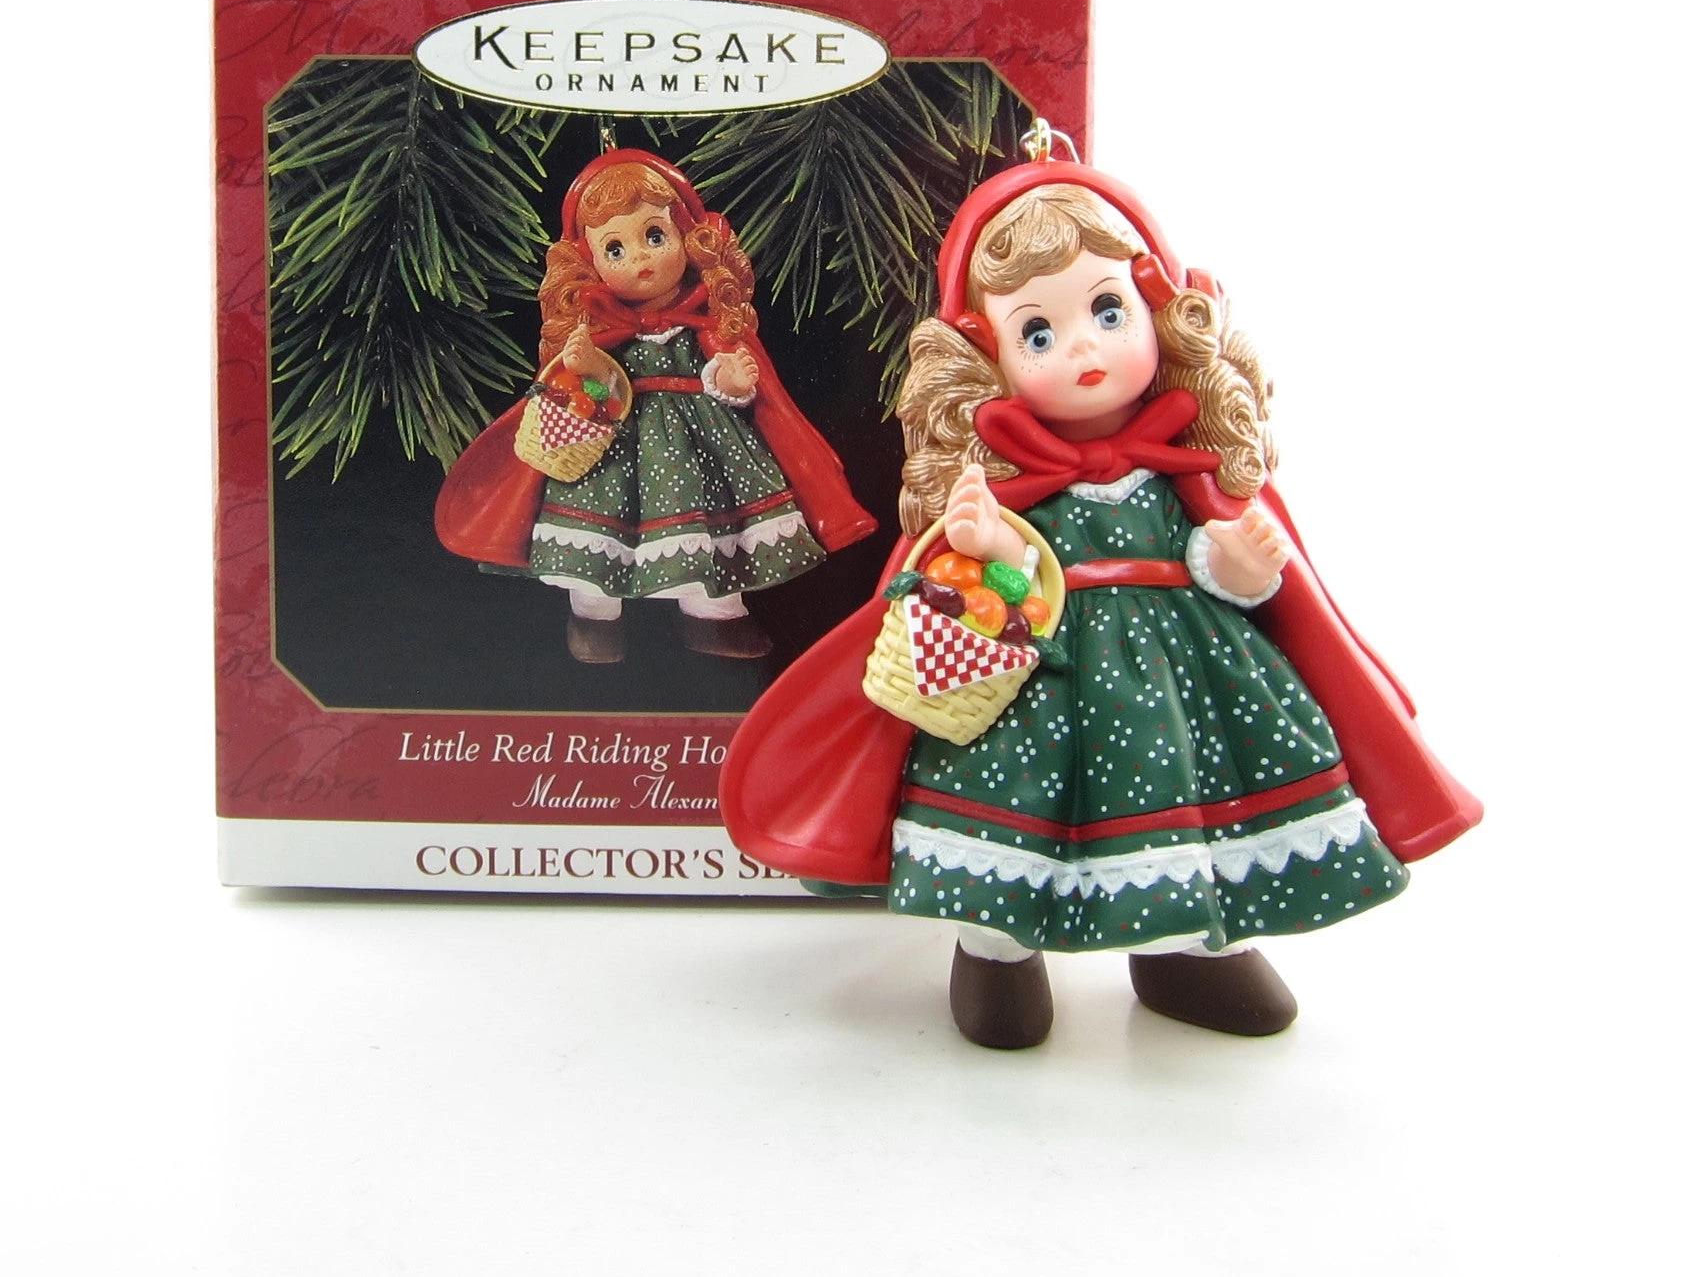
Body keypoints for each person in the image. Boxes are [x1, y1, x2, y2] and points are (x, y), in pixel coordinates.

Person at [722, 145, 1480, 1047]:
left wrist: (1238, 565)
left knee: (1193, 800)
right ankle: (998, 952)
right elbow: (992, 593)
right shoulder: (1007, 479)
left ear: (1159, 311)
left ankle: (1187, 947)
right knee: (1014, 807)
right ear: (989, 356)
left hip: (1190, 681)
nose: (1083, 346)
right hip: (1041, 687)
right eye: (1039, 334)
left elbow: (1228, 566)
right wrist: (993, 546)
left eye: (1108, 311)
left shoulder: (1187, 469)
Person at [435, 149, 874, 664]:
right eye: (615, 248)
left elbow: (728, 379)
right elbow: (587, 392)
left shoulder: (704, 322)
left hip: (704, 442)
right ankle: (595, 615)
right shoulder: (600, 327)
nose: (640, 259)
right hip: (614, 447)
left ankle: (714, 616)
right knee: (598, 525)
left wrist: (731, 379)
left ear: (689, 236)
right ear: (589, 261)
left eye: (655, 236)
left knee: (713, 524)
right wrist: (587, 364)